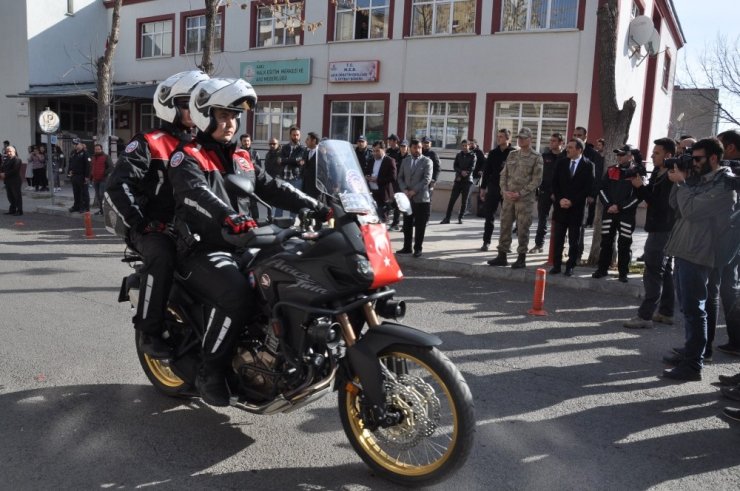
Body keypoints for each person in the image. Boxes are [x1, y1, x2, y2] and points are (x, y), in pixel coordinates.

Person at [168, 77, 330, 406]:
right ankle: (209, 371)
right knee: (236, 292)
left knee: (290, 273)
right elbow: (196, 194)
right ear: (204, 116)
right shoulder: (186, 157)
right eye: (223, 115)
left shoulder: (242, 157)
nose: (230, 123)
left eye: (234, 116)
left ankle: (278, 354)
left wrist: (318, 206)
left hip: (244, 242)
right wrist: (229, 216)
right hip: (203, 249)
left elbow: (273, 186)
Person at [105, 69, 209, 358]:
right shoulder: (150, 141)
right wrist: (142, 222)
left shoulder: (203, 144)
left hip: (191, 225)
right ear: (171, 106)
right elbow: (118, 185)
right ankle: (149, 331)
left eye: (201, 102)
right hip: (153, 225)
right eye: (189, 103)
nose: (196, 109)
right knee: (162, 256)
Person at [662, 137, 737, 381]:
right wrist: (682, 180)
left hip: (700, 252)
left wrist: (683, 184)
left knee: (695, 309)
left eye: (697, 159)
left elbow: (693, 211)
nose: (692, 163)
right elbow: (676, 204)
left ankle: (694, 364)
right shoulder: (701, 179)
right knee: (688, 306)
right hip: (685, 248)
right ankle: (693, 351)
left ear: (714, 158)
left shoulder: (725, 185)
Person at [623, 138, 677, 329]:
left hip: (664, 228)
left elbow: (661, 204)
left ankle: (645, 316)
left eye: (656, 153)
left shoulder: (672, 175)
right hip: (656, 226)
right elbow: (647, 198)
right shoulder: (657, 171)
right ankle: (666, 312)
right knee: (665, 271)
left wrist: (641, 188)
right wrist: (638, 186)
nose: (652, 156)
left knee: (653, 270)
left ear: (668, 155)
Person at [487, 127, 543, 269]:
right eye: (519, 137)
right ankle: (502, 255)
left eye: (524, 137)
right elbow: (503, 174)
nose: (521, 140)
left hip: (524, 199)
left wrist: (521, 193)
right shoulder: (512, 154)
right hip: (508, 197)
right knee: (505, 225)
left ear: (530, 139)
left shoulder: (536, 157)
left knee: (523, 227)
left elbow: (537, 180)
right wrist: (504, 190)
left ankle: (521, 257)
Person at [591, 144, 642, 282]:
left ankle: (623, 273)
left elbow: (639, 196)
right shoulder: (611, 170)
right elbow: (601, 190)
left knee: (624, 244)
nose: (619, 157)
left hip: (626, 215)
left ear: (630, 155)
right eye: (618, 154)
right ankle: (602, 270)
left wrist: (619, 207)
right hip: (609, 212)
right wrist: (609, 205)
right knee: (606, 243)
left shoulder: (637, 172)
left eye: (622, 154)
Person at [549, 138, 595, 276]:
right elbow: (554, 183)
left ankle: (570, 266)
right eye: (567, 147)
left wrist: (572, 201)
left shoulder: (588, 165)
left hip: (576, 209)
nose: (567, 149)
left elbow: (588, 187)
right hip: (560, 207)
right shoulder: (561, 162)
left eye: (570, 147)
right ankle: (556, 265)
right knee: (558, 238)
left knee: (574, 240)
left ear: (579, 150)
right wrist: (560, 199)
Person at [713, 129, 740, 357]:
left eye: (719, 146)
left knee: (727, 285)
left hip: (731, 237)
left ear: (730, 148)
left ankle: (736, 339)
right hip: (730, 234)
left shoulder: (733, 172)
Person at [396, 139, 433, 258]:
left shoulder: (427, 161)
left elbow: (426, 179)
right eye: (415, 148)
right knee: (407, 224)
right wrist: (404, 190)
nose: (417, 150)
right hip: (407, 198)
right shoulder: (405, 161)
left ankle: (418, 248)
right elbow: (400, 177)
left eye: (420, 148)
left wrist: (414, 191)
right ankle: (407, 247)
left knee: (420, 225)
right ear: (410, 148)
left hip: (421, 199)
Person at [479, 129, 514, 252]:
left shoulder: (514, 153)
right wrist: (483, 188)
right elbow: (487, 171)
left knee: (508, 218)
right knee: (489, 216)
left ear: (508, 138)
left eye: (501, 137)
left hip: (508, 189)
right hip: (494, 187)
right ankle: (486, 242)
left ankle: (506, 244)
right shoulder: (493, 153)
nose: (498, 138)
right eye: (497, 136)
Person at [531, 133, 566, 253]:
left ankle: (560, 246)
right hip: (545, 192)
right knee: (542, 219)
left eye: (554, 141)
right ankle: (538, 245)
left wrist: (559, 193)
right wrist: (537, 190)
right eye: (550, 141)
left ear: (561, 143)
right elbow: (538, 174)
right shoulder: (544, 156)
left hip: (560, 194)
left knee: (561, 220)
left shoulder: (566, 157)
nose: (551, 143)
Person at [573, 127, 605, 229]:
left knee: (581, 225)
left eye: (579, 135)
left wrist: (592, 194)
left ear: (585, 137)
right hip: (570, 193)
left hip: (586, 195)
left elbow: (597, 176)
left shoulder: (594, 154)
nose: (577, 138)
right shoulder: (568, 151)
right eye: (575, 135)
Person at [440, 139, 476, 224]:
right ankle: (447, 218)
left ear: (469, 145)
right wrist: (460, 172)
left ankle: (461, 218)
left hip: (467, 181)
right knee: (452, 199)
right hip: (458, 180)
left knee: (464, 201)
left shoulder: (473, 155)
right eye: (463, 146)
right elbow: (455, 166)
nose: (464, 147)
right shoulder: (459, 155)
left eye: (466, 145)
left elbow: (472, 167)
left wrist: (465, 173)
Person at [364, 140, 397, 222]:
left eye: (377, 151)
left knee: (382, 218)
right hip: (372, 192)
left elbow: (393, 177)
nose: (375, 153)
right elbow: (367, 172)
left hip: (383, 193)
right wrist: (367, 176)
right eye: (373, 151)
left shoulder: (389, 161)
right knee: (372, 218)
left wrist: (377, 180)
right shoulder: (371, 160)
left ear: (384, 150)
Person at [239, 133, 261, 219]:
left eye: (248, 141)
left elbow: (260, 168)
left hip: (252, 182)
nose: (246, 142)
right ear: (241, 142)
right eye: (244, 141)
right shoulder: (237, 153)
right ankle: (245, 221)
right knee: (243, 204)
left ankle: (256, 222)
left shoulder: (255, 153)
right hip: (241, 182)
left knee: (253, 204)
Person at [67, 138, 91, 213]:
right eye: (74, 144)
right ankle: (76, 206)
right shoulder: (73, 153)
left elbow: (88, 165)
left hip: (82, 176)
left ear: (80, 144)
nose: (75, 146)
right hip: (74, 176)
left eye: (76, 144)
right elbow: (70, 163)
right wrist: (69, 171)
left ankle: (85, 207)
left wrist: (87, 177)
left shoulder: (85, 153)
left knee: (83, 192)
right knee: (76, 192)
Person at [90, 143, 112, 215]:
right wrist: (91, 177)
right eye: (96, 149)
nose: (97, 150)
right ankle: (101, 210)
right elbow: (92, 168)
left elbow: (111, 167)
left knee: (102, 195)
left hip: (103, 179)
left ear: (101, 149)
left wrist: (104, 173)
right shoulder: (93, 157)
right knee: (98, 196)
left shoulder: (106, 156)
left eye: (98, 149)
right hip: (95, 180)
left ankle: (106, 210)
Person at [1, 145, 23, 215]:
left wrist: (5, 174)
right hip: (8, 181)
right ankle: (12, 209)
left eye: (10, 151)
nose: (8, 153)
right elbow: (3, 168)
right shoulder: (7, 160)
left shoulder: (17, 160)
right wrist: (1, 173)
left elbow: (15, 170)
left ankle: (19, 210)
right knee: (10, 196)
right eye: (7, 151)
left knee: (17, 196)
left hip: (15, 181)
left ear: (14, 151)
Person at [302, 131, 321, 199]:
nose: (305, 141)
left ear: (314, 141)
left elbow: (324, 172)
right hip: (306, 188)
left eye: (307, 139)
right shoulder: (306, 152)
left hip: (316, 190)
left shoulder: (321, 154)